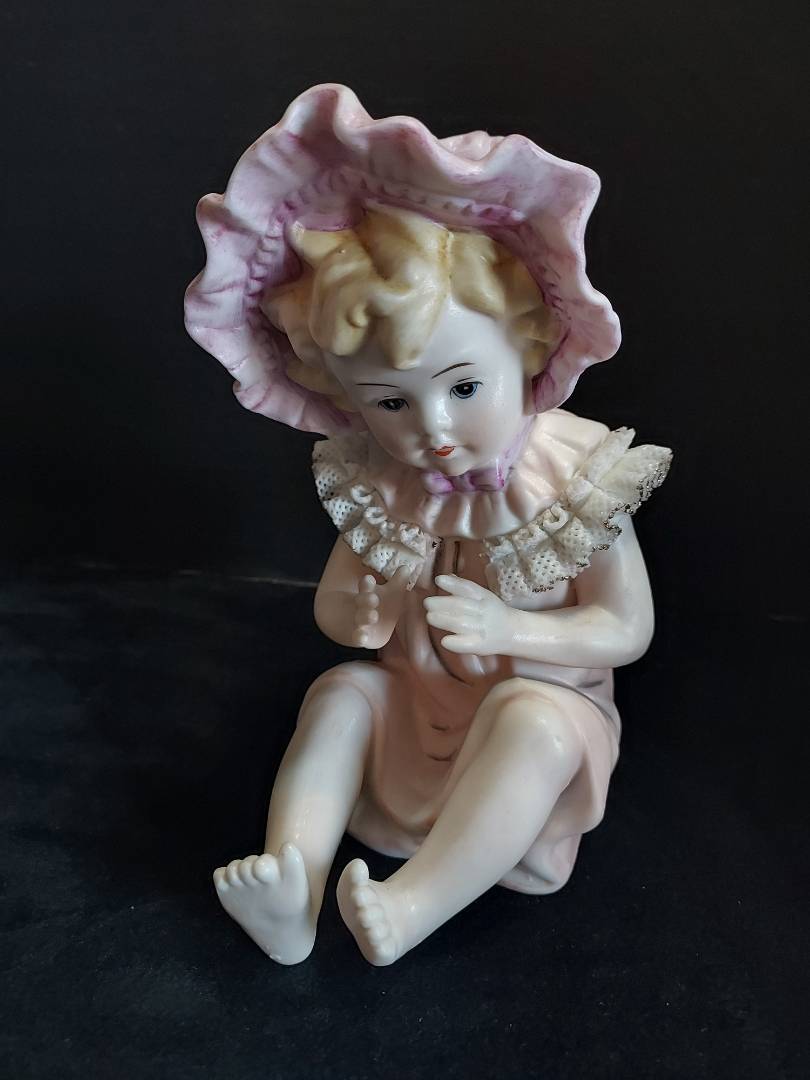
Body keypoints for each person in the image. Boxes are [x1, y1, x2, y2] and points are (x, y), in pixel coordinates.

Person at [184, 85, 672, 966]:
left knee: (534, 720)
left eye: (464, 387)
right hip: (417, 708)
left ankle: (414, 905)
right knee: (341, 693)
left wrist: (513, 629)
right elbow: (339, 609)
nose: (432, 431)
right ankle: (294, 879)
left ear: (526, 344)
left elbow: (626, 627)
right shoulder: (383, 481)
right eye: (389, 403)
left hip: (534, 719)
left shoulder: (572, 476)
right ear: (344, 398)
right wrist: (361, 615)